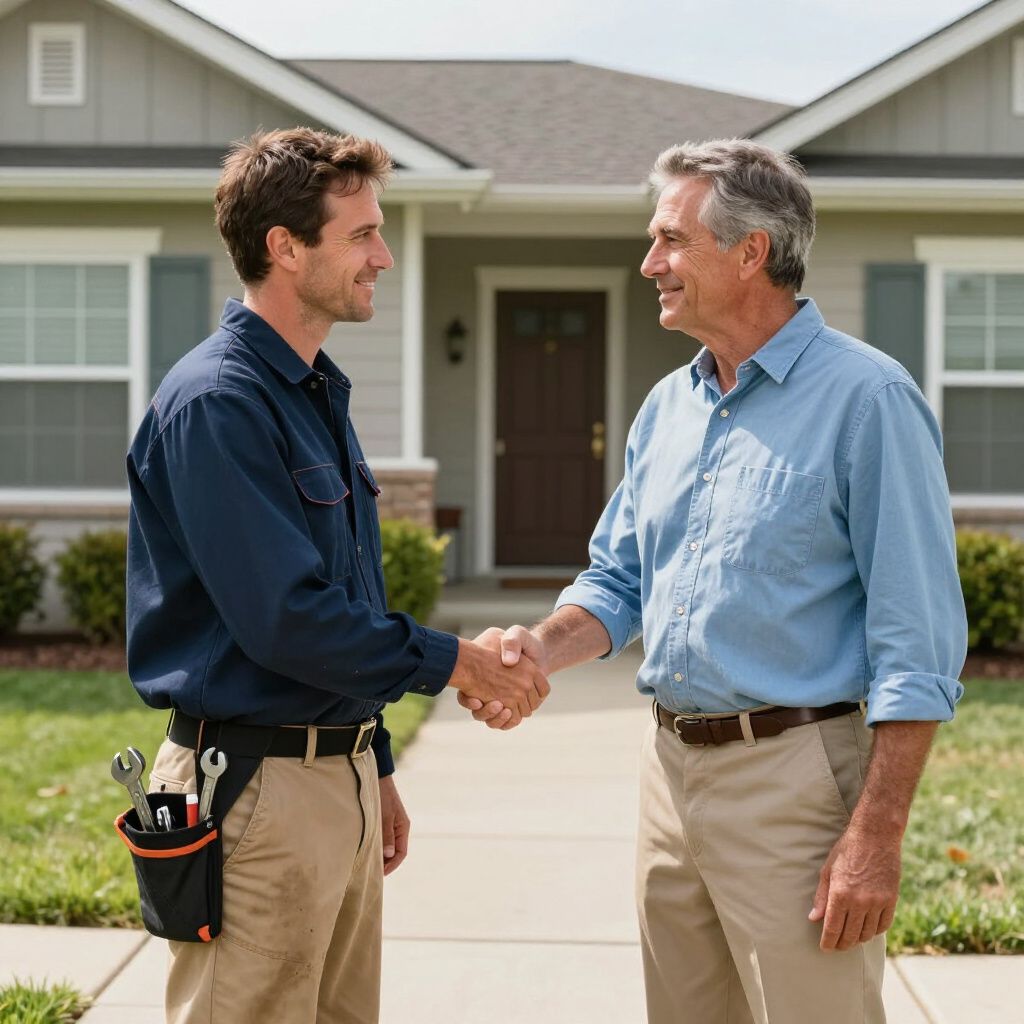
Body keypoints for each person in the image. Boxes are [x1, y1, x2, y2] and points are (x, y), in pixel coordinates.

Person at [466, 139, 967, 1024]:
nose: (650, 262)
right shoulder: (669, 406)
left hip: (796, 779)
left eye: (671, 240)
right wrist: (536, 649)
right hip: (670, 775)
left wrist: (875, 839)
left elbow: (917, 644)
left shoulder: (869, 401)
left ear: (750, 253)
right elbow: (619, 581)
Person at [125, 127, 549, 1024]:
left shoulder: (314, 390)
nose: (384, 257)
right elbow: (288, 620)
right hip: (251, 793)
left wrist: (374, 763)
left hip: (331, 778)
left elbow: (350, 595)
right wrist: (463, 664)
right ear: (285, 247)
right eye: (361, 235)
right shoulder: (219, 404)